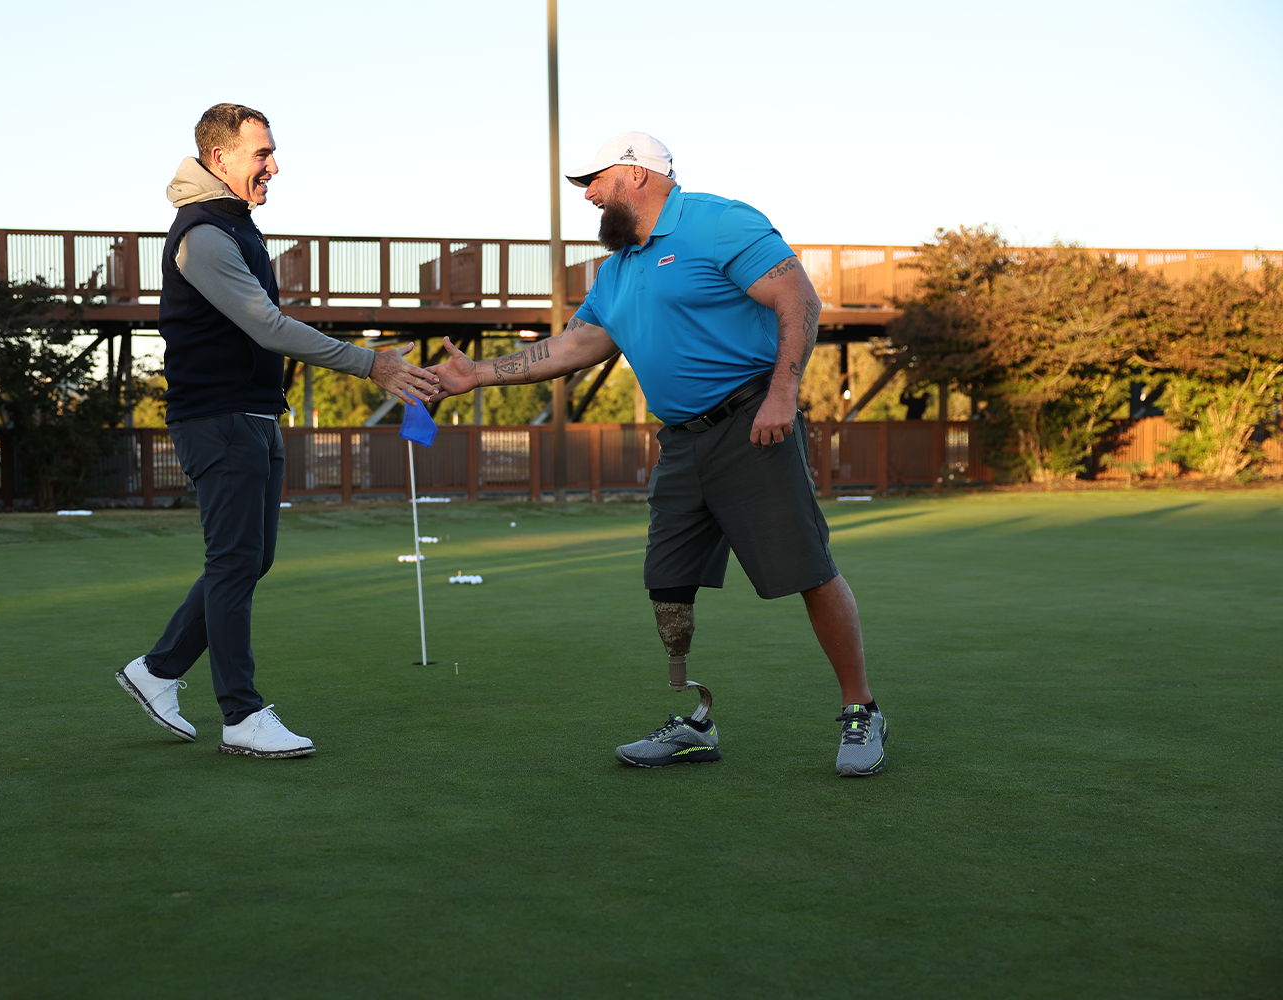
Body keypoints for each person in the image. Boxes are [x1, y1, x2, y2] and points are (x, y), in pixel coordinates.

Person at [425, 132, 886, 776]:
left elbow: (798, 299)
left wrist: (782, 395)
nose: (585, 192)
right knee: (669, 584)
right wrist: (481, 374)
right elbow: (573, 346)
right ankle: (695, 719)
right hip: (681, 442)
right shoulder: (617, 269)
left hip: (752, 423)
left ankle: (860, 711)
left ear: (639, 173)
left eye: (595, 177)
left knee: (805, 569)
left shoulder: (719, 221)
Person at [116, 103, 438, 758]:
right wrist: (371, 364)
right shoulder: (203, 234)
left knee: (250, 558)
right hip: (219, 418)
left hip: (253, 415)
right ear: (220, 158)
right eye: (261, 153)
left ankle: (156, 670)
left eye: (271, 151)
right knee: (233, 562)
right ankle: (242, 715)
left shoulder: (235, 226)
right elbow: (266, 326)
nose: (274, 165)